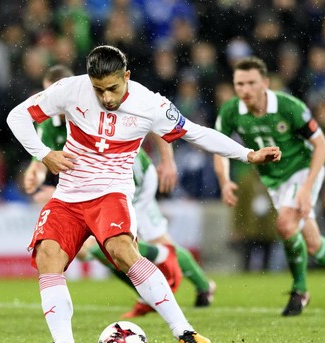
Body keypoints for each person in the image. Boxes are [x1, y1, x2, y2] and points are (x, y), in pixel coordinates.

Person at [7, 45, 280, 343]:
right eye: (99, 90)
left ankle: (185, 332)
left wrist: (247, 154)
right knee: (46, 256)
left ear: (127, 76)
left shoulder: (150, 104)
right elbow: (17, 115)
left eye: (113, 88)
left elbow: (196, 133)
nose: (106, 97)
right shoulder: (71, 89)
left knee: (123, 251)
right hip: (68, 195)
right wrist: (42, 153)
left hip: (111, 192)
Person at [24, 65, 216, 317]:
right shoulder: (50, 124)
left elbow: (155, 120)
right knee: (100, 249)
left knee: (114, 245)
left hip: (129, 179)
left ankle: (185, 283)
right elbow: (43, 157)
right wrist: (35, 173)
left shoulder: (96, 103)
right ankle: (161, 287)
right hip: (98, 186)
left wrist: (167, 160)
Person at [213, 56, 325, 317]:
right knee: (315, 247)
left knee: (285, 224)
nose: (245, 90)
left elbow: (321, 145)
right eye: (239, 84)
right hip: (274, 181)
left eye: (251, 83)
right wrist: (224, 180)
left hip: (302, 171)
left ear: (265, 83)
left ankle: (300, 291)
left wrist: (306, 187)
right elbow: (218, 147)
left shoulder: (289, 106)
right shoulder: (231, 111)